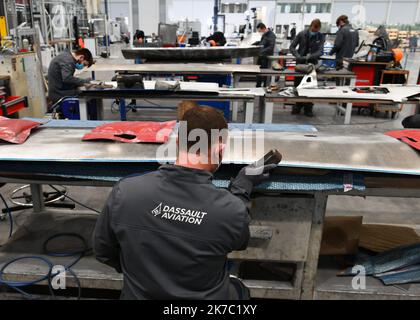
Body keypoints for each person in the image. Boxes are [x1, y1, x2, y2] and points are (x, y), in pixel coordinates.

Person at [93, 106, 276, 300]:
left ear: (179, 142)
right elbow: (239, 241)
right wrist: (241, 187)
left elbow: (103, 251)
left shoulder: (125, 192)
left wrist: (144, 275)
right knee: (239, 290)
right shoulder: (231, 211)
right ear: (220, 149)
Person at [289, 19, 325, 117]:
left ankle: (308, 108)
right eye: (313, 30)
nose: (314, 32)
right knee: (298, 85)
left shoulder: (320, 36)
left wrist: (311, 56)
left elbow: (321, 51)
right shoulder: (301, 34)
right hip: (300, 64)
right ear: (310, 26)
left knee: (310, 86)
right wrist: (298, 56)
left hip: (312, 64)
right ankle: (298, 105)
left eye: (316, 30)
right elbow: (292, 47)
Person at [253, 22, 276, 87]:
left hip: (266, 58)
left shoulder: (271, 35)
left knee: (265, 73)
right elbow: (262, 42)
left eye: (260, 31)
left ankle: (265, 87)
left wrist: (261, 52)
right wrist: (254, 44)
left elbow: (271, 47)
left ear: (263, 28)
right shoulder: (264, 34)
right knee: (259, 72)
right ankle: (258, 86)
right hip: (261, 57)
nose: (260, 32)